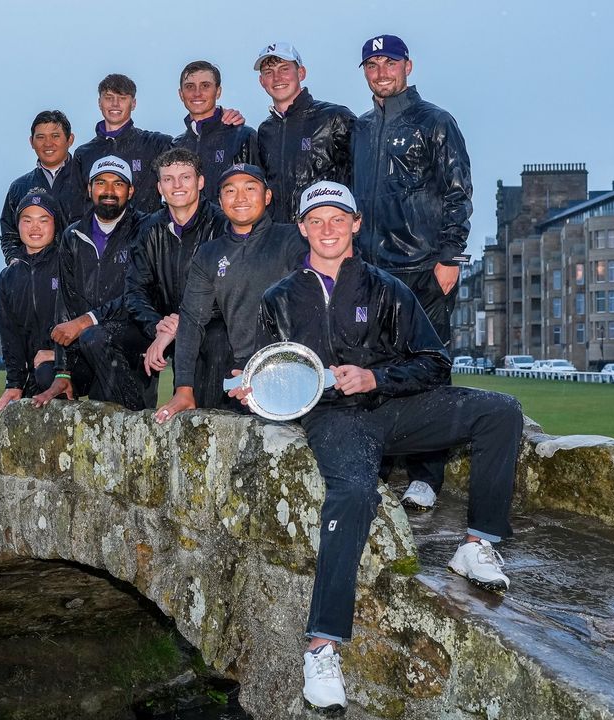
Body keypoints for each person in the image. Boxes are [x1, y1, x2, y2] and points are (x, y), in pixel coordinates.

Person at [242, 182, 521, 711]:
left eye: (338, 218)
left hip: (390, 407)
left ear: (355, 224)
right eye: (317, 220)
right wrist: (253, 391)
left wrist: (373, 378)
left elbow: (434, 362)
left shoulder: (387, 288)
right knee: (352, 494)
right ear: (302, 228)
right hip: (333, 419)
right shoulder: (279, 299)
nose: (327, 228)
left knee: (500, 411)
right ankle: (322, 645)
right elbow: (271, 375)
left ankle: (475, 543)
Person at [352, 34, 473, 514]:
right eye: (373, 63)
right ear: (364, 71)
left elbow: (457, 191)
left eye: (391, 62)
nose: (382, 71)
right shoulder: (360, 129)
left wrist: (450, 256)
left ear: (408, 66)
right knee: (371, 364)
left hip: (423, 267)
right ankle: (376, 463)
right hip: (369, 269)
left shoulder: (435, 122)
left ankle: (426, 475)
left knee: (428, 368)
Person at [153, 164, 306, 424]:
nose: (240, 197)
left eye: (250, 188)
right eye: (230, 190)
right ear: (220, 200)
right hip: (242, 375)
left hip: (293, 368)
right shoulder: (209, 253)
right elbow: (191, 320)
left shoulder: (294, 239)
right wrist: (183, 388)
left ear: (267, 196)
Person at [32, 156, 156, 411]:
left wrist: (87, 320)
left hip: (133, 334)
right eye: (101, 183)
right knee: (47, 374)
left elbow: (140, 295)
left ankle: (134, 422)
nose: (108, 191)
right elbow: (66, 303)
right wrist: (63, 370)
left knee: (95, 338)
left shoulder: (145, 229)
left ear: (130, 191)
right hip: (88, 337)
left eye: (118, 184)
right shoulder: (73, 235)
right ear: (89, 189)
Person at [126, 147, 232, 408]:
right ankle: (131, 429)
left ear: (200, 181)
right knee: (108, 339)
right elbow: (135, 291)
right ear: (159, 187)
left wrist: (182, 324)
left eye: (185, 177)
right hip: (163, 324)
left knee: (216, 343)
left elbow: (228, 291)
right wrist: (158, 326)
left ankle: (205, 424)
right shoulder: (148, 230)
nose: (177, 185)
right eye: (168, 179)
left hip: (209, 323)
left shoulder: (222, 225)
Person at [254, 42, 354, 222]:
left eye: (284, 69)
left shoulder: (334, 117)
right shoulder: (265, 130)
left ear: (301, 73)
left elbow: (363, 179)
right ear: (262, 81)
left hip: (324, 234)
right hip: (280, 237)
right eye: (269, 72)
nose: (277, 78)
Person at [0, 188, 63, 413]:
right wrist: (13, 383)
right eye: (27, 220)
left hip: (67, 366)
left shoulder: (68, 265)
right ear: (17, 225)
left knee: (46, 375)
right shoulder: (9, 276)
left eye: (44, 220)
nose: (35, 227)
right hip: (33, 371)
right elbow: (9, 334)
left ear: (55, 224)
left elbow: (85, 319)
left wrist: (58, 355)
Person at [74, 75, 174, 216]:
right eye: (109, 97)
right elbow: (77, 206)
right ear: (99, 103)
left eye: (122, 98)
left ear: (133, 103)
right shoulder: (84, 154)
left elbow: (190, 158)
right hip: (100, 235)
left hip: (144, 234)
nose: (115, 104)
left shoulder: (156, 144)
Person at [0, 110, 89, 264]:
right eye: (40, 137)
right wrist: (16, 263)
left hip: (80, 274)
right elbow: (9, 234)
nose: (48, 143)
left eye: (55, 136)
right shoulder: (20, 187)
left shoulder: (88, 182)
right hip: (36, 277)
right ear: (31, 142)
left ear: (70, 139)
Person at [172, 61, 258, 197]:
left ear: (218, 92)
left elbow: (257, 191)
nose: (197, 93)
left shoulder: (242, 136)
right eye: (189, 86)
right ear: (181, 94)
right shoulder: (176, 145)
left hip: (229, 218)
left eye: (205, 86)